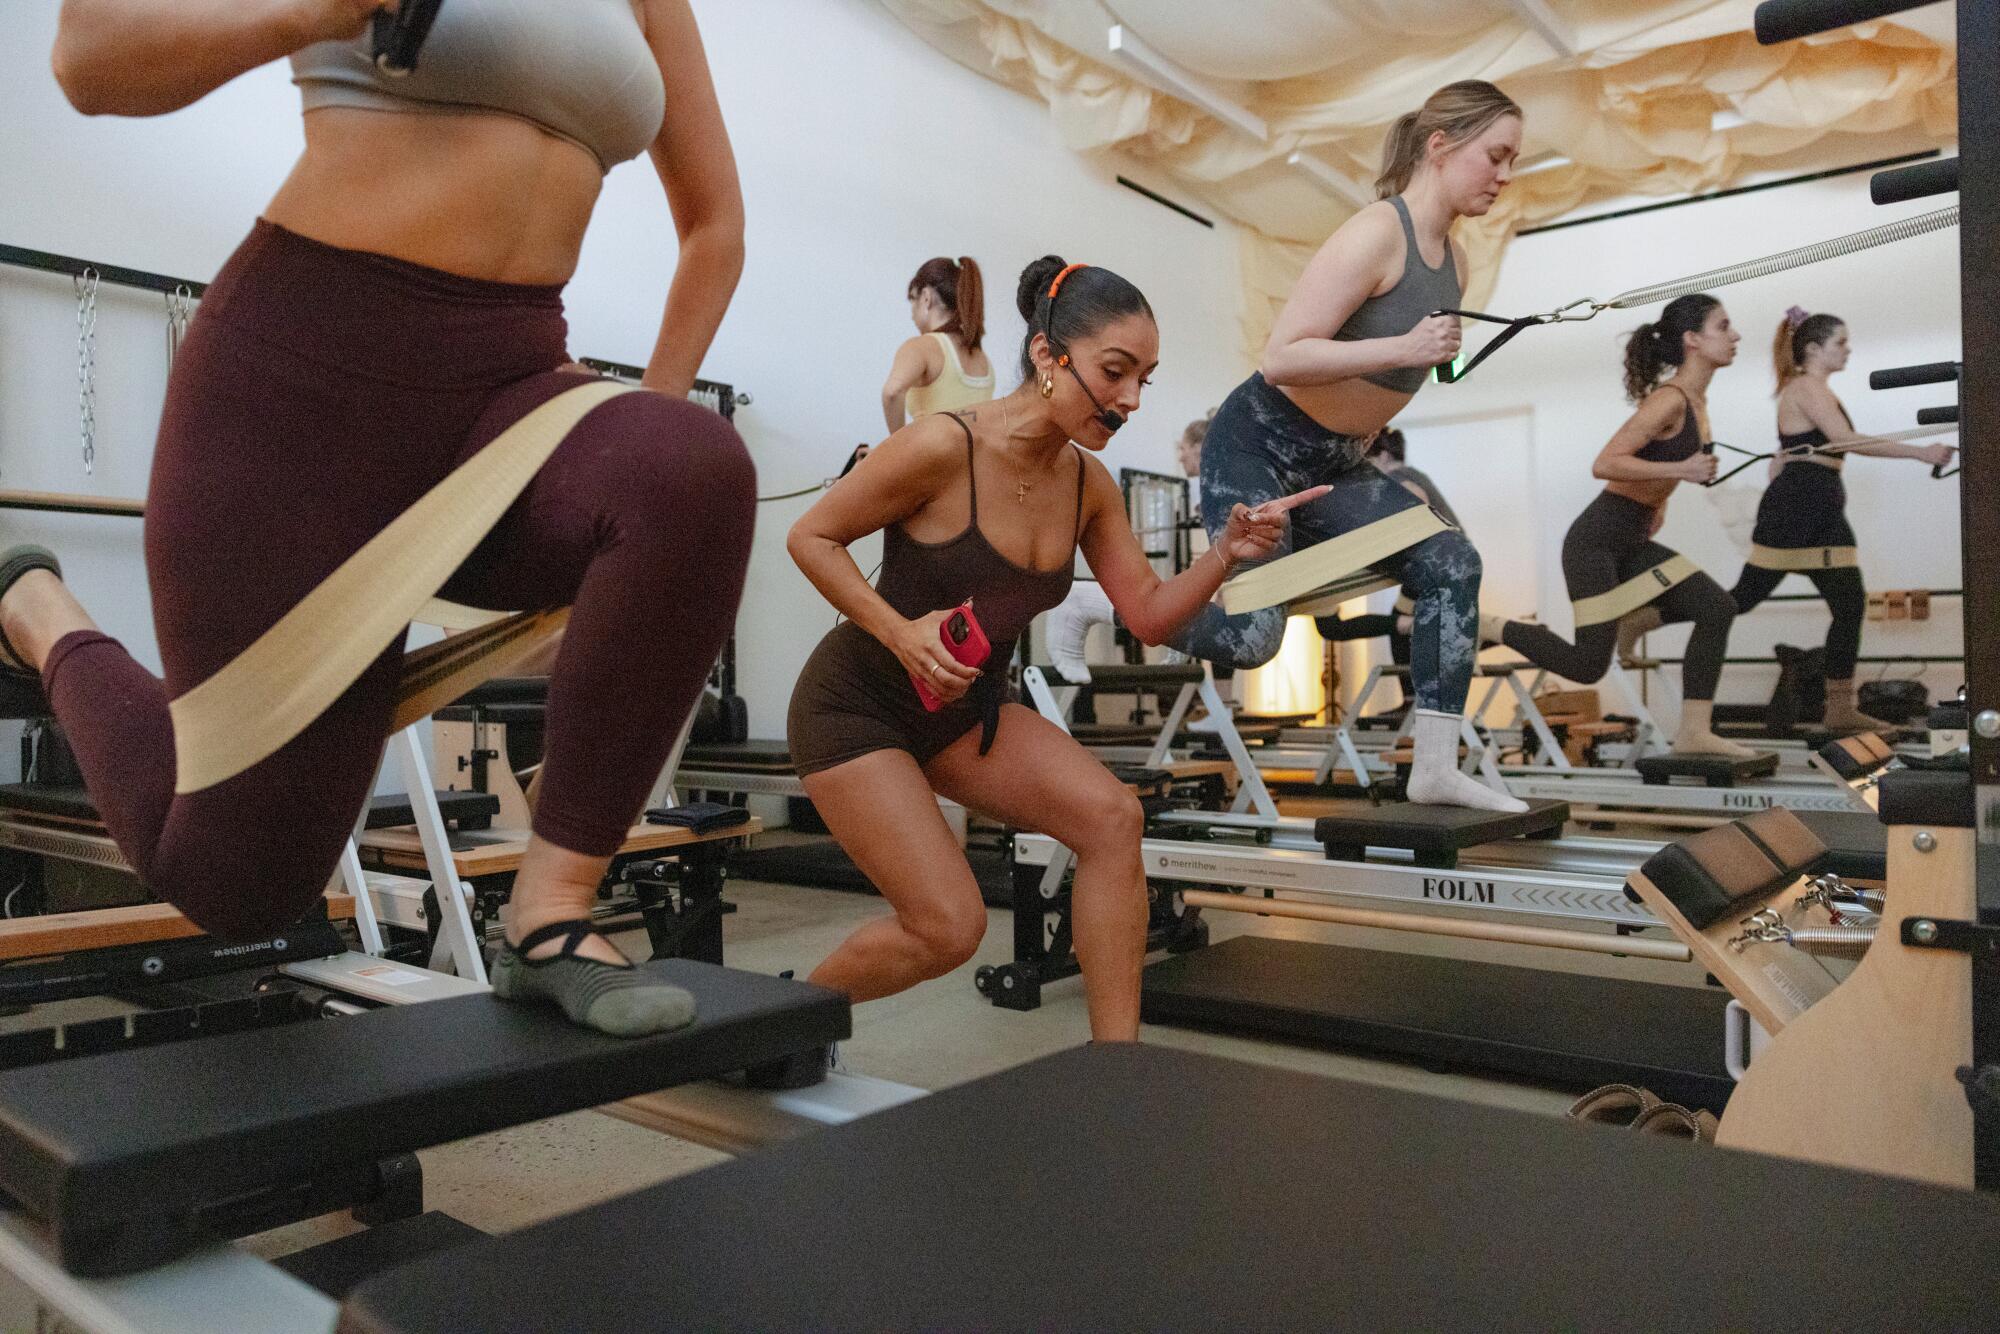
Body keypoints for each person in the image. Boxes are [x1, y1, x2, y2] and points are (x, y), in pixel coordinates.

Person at [20, 0, 754, 1036]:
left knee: (688, 467)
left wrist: (649, 415)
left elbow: (714, 222)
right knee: (238, 886)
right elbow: (90, 60)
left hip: (507, 385)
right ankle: (38, 608)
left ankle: (548, 915)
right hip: (297, 387)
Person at [785, 257, 1322, 1043]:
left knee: (1112, 818)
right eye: (1115, 371)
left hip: (964, 712)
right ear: (1047, 354)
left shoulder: (1087, 484)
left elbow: (1144, 615)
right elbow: (812, 536)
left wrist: (1225, 555)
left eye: (1145, 378)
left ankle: (1116, 1064)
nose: (1132, 399)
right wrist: (901, 633)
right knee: (947, 927)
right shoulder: (942, 447)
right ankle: (782, 1021)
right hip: (856, 707)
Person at [1164, 81, 1526, 811]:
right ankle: (1111, 606)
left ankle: (1434, 766)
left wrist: (1439, 356)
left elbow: (1409, 363)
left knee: (1451, 561)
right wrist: (1409, 342)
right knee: (1255, 640)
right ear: (1440, 145)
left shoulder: (1453, 263)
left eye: (1513, 160)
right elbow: (1282, 357)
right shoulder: (1375, 232)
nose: (1505, 175)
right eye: (1496, 155)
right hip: (1260, 444)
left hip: (1335, 460)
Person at [1487, 295, 1756, 757]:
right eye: (1723, 326)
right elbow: (1606, 463)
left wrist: (1660, 500)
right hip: (1596, 542)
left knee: (1717, 608)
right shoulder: (1668, 400)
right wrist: (1679, 472)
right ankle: (1490, 626)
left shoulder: (1697, 401)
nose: (1735, 335)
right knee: (1588, 665)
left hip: (1631, 538)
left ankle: (1693, 732)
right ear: (1693, 340)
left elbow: (1656, 466)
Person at [1724, 308, 1956, 731]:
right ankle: (1648, 617)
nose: (1848, 350)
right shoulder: (1805, 388)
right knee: (1744, 598)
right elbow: (1845, 440)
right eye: (1841, 343)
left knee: (1848, 604)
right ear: (1814, 349)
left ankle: (1839, 708)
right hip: (1798, 507)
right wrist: (1920, 452)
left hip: (1820, 504)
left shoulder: (1814, 390)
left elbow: (1809, 447)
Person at [1313, 430, 1461, 675]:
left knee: (1409, 624)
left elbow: (1418, 507)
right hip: (1444, 560)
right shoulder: (1414, 474)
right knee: (1404, 621)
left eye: (1369, 465)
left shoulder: (1397, 476)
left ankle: (1410, 698)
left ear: (1382, 456)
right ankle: (1410, 698)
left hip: (1436, 562)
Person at [881, 257, 993, 433]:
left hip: (930, 459)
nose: (911, 315)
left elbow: (892, 392)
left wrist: (898, 450)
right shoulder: (982, 359)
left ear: (926, 298)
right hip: (972, 460)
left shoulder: (921, 347)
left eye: (912, 301)